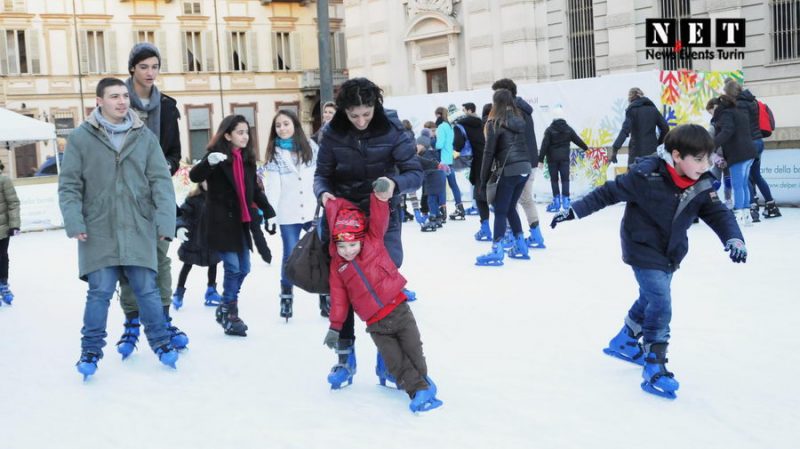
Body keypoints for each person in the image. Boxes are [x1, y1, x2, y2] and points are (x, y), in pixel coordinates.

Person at [550, 124, 747, 399]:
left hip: (671, 251)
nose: (706, 165)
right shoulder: (646, 175)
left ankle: (626, 339)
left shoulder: (701, 183)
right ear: (677, 155)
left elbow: (719, 214)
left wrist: (734, 239)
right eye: (699, 159)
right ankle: (655, 363)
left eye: (708, 158)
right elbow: (608, 193)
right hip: (641, 247)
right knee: (660, 300)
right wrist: (573, 211)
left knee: (651, 296)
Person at [58, 77, 179, 379]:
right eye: (114, 96)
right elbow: (69, 185)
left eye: (125, 96)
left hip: (139, 225)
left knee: (147, 290)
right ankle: (90, 351)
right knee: (99, 292)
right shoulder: (81, 138)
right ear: (99, 101)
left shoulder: (144, 136)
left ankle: (161, 343)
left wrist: (166, 222)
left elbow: (161, 183)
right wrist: (74, 221)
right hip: (99, 228)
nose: (122, 101)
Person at [314, 77, 422, 389]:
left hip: (382, 216)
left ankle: (386, 363)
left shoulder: (391, 129)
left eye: (366, 113)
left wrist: (394, 185)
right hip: (344, 218)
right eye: (354, 115)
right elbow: (322, 175)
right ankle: (345, 359)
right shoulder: (333, 133)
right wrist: (323, 194)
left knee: (384, 288)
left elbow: (415, 172)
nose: (361, 121)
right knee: (344, 288)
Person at [322, 184, 442, 412]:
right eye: (342, 246)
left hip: (398, 311)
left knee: (414, 351)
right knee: (396, 363)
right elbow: (338, 299)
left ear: (361, 240)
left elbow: (378, 217)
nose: (348, 251)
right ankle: (418, 390)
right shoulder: (339, 266)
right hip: (376, 325)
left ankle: (423, 385)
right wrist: (335, 327)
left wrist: (380, 196)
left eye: (352, 244)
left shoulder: (373, 242)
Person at [117, 42, 187, 360]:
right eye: (144, 66)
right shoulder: (116, 104)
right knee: (131, 260)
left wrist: (159, 170)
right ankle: (132, 321)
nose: (150, 72)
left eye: (155, 66)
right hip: (124, 195)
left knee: (160, 259)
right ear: (132, 68)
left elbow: (174, 153)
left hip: (158, 194)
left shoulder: (168, 107)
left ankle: (163, 319)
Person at [189, 115, 275, 337]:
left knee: (244, 268)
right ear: (227, 134)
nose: (245, 136)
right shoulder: (217, 158)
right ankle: (230, 312)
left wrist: (269, 211)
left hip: (241, 222)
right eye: (240, 132)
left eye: (247, 132)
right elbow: (195, 175)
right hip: (220, 222)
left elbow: (254, 190)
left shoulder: (246, 160)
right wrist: (208, 162)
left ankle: (225, 306)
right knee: (233, 267)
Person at [264, 109, 329, 321]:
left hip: (313, 209)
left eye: (286, 124)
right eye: (278, 126)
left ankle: (324, 296)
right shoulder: (274, 154)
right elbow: (272, 186)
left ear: (295, 125)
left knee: (319, 253)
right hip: (288, 211)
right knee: (290, 254)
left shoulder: (311, 147)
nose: (282, 129)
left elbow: (321, 175)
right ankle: (286, 297)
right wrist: (270, 214)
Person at [475, 88, 532, 266]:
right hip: (525, 168)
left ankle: (497, 250)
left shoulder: (494, 123)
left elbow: (488, 153)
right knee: (509, 208)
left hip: (510, 170)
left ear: (495, 103)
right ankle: (521, 245)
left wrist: (483, 180)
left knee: (500, 210)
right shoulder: (519, 120)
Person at [491, 78, 545, 250]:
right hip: (528, 160)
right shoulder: (524, 110)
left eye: (497, 92)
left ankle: (511, 236)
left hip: (519, 162)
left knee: (512, 201)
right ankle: (535, 235)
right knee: (524, 199)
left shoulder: (512, 112)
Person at [723, 79, 782, 220]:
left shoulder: (739, 104)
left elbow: (740, 125)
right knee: (756, 175)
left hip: (747, 143)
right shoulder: (752, 101)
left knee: (746, 178)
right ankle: (770, 204)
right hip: (758, 141)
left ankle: (751, 208)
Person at [171, 181, 222, 310]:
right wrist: (181, 227)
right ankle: (179, 292)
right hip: (194, 240)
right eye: (205, 180)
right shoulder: (193, 199)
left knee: (213, 264)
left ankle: (211, 291)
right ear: (200, 182)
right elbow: (182, 215)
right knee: (187, 265)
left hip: (212, 240)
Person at [711, 94, 757, 226]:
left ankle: (738, 215)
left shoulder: (726, 114)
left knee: (738, 185)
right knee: (743, 184)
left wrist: (712, 144)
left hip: (738, 154)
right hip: (750, 153)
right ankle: (747, 215)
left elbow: (727, 131)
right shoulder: (740, 113)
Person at [538, 107, 589, 212]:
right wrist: (586, 148)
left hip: (552, 159)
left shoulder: (549, 130)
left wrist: (540, 160)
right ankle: (566, 202)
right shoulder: (568, 129)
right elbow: (577, 140)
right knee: (565, 180)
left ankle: (556, 203)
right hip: (564, 158)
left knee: (554, 180)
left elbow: (544, 145)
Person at [611, 87, 669, 166]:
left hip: (636, 154)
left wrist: (615, 149)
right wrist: (658, 143)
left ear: (630, 98)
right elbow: (665, 128)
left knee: (634, 176)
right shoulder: (653, 109)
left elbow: (625, 130)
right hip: (652, 152)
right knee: (652, 176)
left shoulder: (631, 110)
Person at [455, 102, 486, 218]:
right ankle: (484, 204)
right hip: (484, 154)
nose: (462, 112)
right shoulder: (482, 123)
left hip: (470, 156)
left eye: (464, 110)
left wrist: (455, 153)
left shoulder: (461, 125)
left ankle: (475, 205)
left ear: (469, 111)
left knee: (474, 180)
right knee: (482, 181)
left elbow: (459, 142)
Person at [433, 106, 464, 220]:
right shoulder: (450, 126)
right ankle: (460, 207)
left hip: (442, 160)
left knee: (441, 186)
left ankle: (442, 210)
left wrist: (433, 143)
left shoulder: (441, 127)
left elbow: (439, 144)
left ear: (439, 115)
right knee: (453, 185)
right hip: (449, 159)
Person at [0, 160, 20, 306]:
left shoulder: (4, 180)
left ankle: (3, 284)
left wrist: (14, 225)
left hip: (2, 228)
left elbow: (13, 203)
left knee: (2, 256)